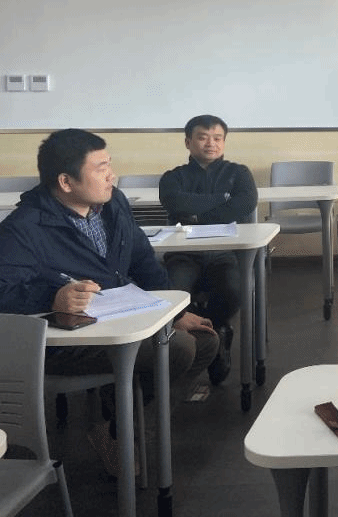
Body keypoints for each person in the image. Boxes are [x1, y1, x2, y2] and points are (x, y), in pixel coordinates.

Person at [0, 129, 218, 476]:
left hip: (124, 317)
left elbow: (142, 258)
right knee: (178, 349)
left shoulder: (113, 203)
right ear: (66, 182)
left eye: (110, 165)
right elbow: (4, 292)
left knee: (205, 341)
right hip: (69, 342)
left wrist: (174, 313)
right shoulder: (24, 227)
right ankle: (123, 430)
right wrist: (52, 297)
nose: (111, 176)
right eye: (101, 168)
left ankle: (121, 430)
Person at [158, 114, 258, 384]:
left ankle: (216, 331)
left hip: (225, 254)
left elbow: (245, 204)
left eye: (217, 138)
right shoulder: (173, 177)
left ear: (224, 142)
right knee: (171, 294)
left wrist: (196, 216)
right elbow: (175, 202)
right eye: (203, 137)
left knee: (236, 289)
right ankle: (198, 332)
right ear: (188, 142)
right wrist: (222, 200)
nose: (211, 143)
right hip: (184, 254)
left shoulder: (239, 173)